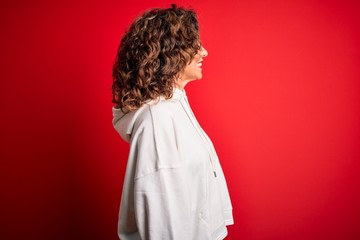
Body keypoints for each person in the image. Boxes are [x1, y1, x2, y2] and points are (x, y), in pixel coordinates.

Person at [112, 4, 233, 240]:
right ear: (171, 52)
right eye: (194, 45)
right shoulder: (158, 122)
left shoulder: (173, 107)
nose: (204, 52)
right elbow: (164, 225)